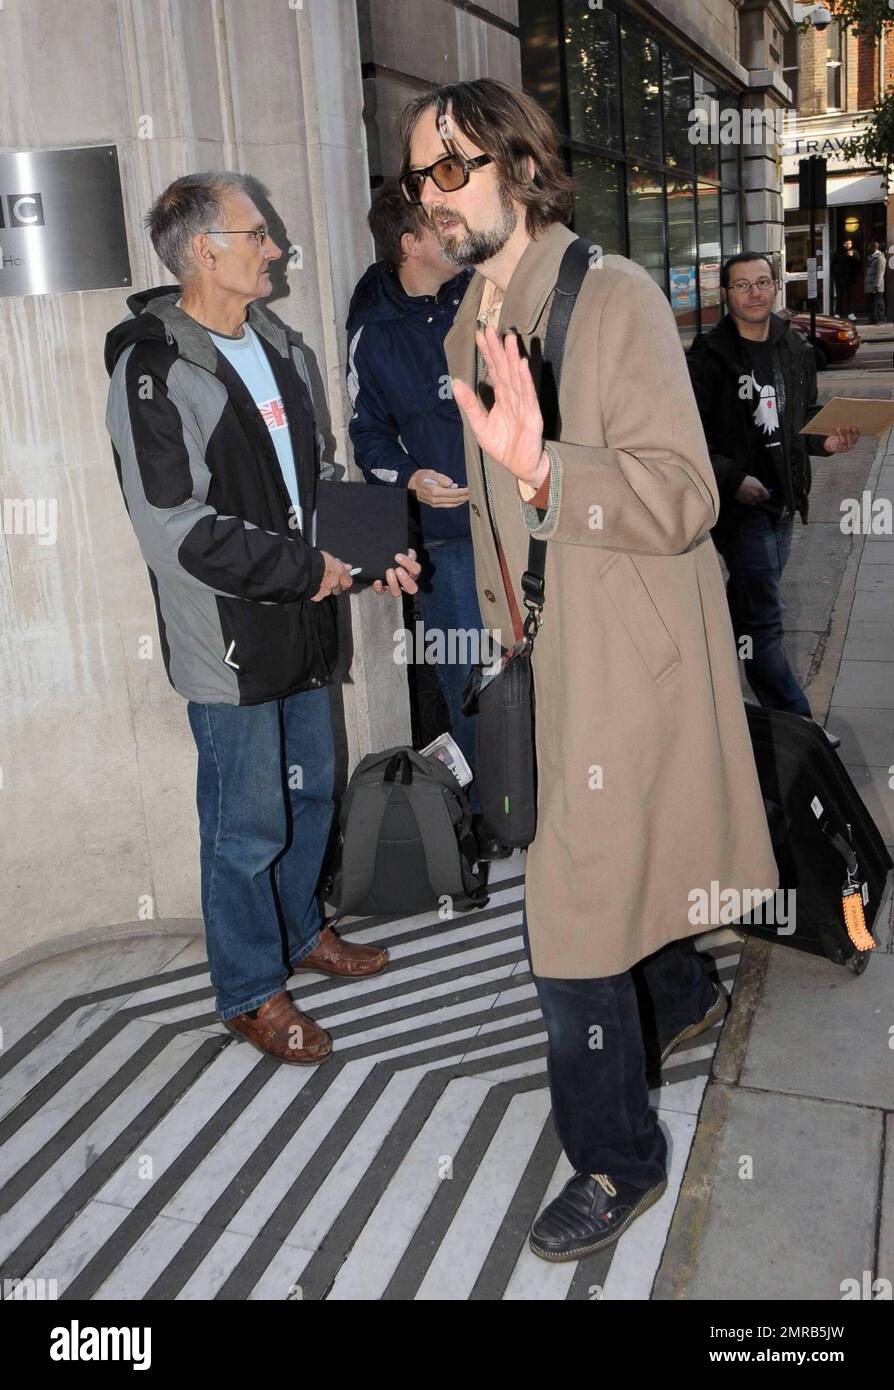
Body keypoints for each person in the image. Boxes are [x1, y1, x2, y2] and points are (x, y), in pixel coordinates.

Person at [400, 79, 780, 1261]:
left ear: (519, 166)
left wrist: (550, 473)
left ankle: (618, 1157)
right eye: (418, 176)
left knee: (563, 924)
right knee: (612, 873)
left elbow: (684, 491)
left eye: (450, 167)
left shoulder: (609, 298)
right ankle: (679, 995)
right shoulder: (471, 317)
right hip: (550, 655)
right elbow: (517, 497)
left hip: (628, 662)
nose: (430, 194)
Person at [104, 172, 421, 1065]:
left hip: (305, 621)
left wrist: (370, 551)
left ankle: (294, 936)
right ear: (204, 249)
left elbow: (312, 483)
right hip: (231, 641)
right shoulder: (154, 367)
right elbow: (174, 527)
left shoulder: (279, 343)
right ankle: (248, 989)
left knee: (310, 794)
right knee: (246, 824)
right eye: (257, 235)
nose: (274, 248)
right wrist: (307, 569)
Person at [346, 182, 507, 858]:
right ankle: (489, 814)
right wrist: (410, 478)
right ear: (409, 243)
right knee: (468, 678)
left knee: (549, 665)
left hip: (528, 527)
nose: (457, 230)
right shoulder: (372, 332)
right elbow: (368, 437)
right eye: (439, 223)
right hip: (448, 543)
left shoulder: (490, 297)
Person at [687, 254, 858, 719]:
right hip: (740, 510)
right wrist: (733, 478)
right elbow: (689, 436)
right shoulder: (707, 358)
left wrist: (829, 441)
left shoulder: (796, 349)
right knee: (764, 619)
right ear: (726, 294)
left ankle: (713, 685)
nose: (755, 293)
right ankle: (797, 724)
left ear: (775, 287)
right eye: (742, 286)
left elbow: (803, 423)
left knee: (749, 606)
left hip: (784, 500)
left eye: (762, 282)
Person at [831, 238, 861, 319]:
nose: (848, 245)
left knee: (850, 296)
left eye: (849, 243)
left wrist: (853, 257)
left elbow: (858, 263)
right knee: (839, 296)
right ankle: (838, 313)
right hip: (839, 278)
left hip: (850, 279)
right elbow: (833, 264)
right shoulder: (838, 252)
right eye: (846, 243)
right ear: (843, 244)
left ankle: (851, 313)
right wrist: (834, 275)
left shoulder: (855, 252)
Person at [864, 240, 886, 325]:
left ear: (874, 248)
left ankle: (880, 319)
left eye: (869, 247)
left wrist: (877, 285)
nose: (868, 248)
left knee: (879, 302)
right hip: (870, 284)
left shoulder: (880, 257)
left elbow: (880, 272)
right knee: (872, 303)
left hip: (876, 284)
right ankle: (873, 318)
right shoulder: (871, 257)